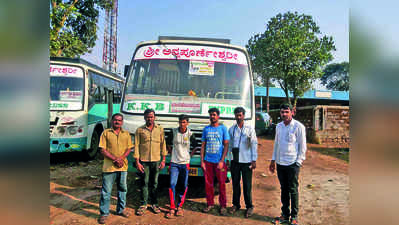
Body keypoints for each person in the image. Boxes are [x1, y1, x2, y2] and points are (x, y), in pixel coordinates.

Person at [269, 103, 307, 225]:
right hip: (280, 163)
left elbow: (303, 146)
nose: (284, 114)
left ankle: (294, 216)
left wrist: (298, 163)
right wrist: (273, 160)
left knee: (293, 189)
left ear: (292, 112)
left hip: (292, 164)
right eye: (282, 112)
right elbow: (276, 144)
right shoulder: (279, 126)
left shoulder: (298, 126)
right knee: (284, 189)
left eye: (286, 112)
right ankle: (285, 214)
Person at [98, 113, 134, 224]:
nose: (117, 122)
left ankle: (120, 210)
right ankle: (104, 213)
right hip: (109, 168)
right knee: (106, 191)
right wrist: (115, 159)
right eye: (115, 120)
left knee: (122, 189)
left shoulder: (126, 134)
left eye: (119, 120)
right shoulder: (105, 133)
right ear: (112, 121)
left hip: (122, 167)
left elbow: (129, 148)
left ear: (122, 122)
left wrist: (121, 159)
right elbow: (102, 150)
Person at [134, 109, 167, 216]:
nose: (150, 119)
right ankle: (143, 204)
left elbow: (163, 145)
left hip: (156, 161)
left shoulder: (160, 129)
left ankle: (154, 204)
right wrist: (137, 162)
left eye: (151, 117)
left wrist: (163, 160)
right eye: (148, 117)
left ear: (155, 117)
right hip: (144, 162)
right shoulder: (139, 130)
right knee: (144, 182)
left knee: (155, 183)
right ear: (144, 117)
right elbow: (136, 146)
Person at [228, 107, 258, 218]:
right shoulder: (231, 129)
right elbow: (229, 145)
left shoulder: (249, 129)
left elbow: (254, 144)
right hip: (235, 161)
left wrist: (254, 160)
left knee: (247, 185)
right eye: (237, 115)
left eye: (240, 115)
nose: (238, 117)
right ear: (235, 116)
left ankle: (249, 206)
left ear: (244, 116)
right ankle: (236, 204)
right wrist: (228, 158)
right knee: (235, 184)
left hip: (247, 161)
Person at [165, 114, 197, 218]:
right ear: (178, 122)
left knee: (183, 184)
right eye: (180, 122)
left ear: (187, 123)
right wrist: (171, 153)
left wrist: (190, 156)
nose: (182, 124)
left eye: (184, 122)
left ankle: (180, 206)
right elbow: (168, 144)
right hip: (174, 162)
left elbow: (196, 146)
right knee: (172, 183)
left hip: (185, 163)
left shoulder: (190, 133)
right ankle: (172, 207)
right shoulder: (173, 132)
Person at [201, 107, 230, 215]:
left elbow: (226, 145)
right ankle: (210, 204)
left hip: (219, 162)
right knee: (208, 184)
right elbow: (203, 146)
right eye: (211, 115)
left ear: (218, 116)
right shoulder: (206, 129)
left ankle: (223, 206)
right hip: (208, 161)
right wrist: (202, 161)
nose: (212, 117)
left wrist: (222, 160)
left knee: (221, 184)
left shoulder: (223, 129)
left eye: (214, 114)